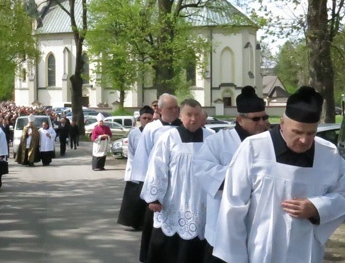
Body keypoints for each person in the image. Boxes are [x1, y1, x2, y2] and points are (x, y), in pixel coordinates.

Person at [213, 86, 345, 263]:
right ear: (282, 123)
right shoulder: (254, 148)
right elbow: (233, 207)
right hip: (260, 251)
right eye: (297, 132)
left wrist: (317, 207)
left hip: (307, 251)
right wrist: (235, 258)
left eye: (311, 133)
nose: (304, 140)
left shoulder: (328, 154)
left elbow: (342, 193)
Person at [193, 86, 270, 263]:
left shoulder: (271, 143)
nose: (262, 122)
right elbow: (201, 167)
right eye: (255, 119)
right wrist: (241, 178)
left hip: (259, 222)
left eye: (264, 117)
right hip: (223, 222)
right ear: (239, 120)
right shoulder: (218, 141)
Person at [140, 99, 214, 263]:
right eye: (189, 115)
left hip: (203, 202)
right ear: (181, 115)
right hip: (175, 199)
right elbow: (157, 167)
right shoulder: (169, 137)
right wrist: (154, 197)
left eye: (197, 115)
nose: (193, 119)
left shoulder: (212, 138)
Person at [131, 93, 181, 262]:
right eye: (170, 108)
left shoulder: (186, 128)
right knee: (155, 225)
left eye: (177, 107)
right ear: (159, 110)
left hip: (180, 186)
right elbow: (143, 157)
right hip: (156, 184)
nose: (175, 111)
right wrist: (147, 188)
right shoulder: (151, 129)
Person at [117, 105, 154, 230]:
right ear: (140, 119)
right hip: (136, 169)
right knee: (135, 198)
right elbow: (131, 151)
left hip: (151, 170)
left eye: (150, 118)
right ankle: (134, 222)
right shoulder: (134, 133)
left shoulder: (155, 132)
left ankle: (146, 223)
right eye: (145, 118)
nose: (147, 121)